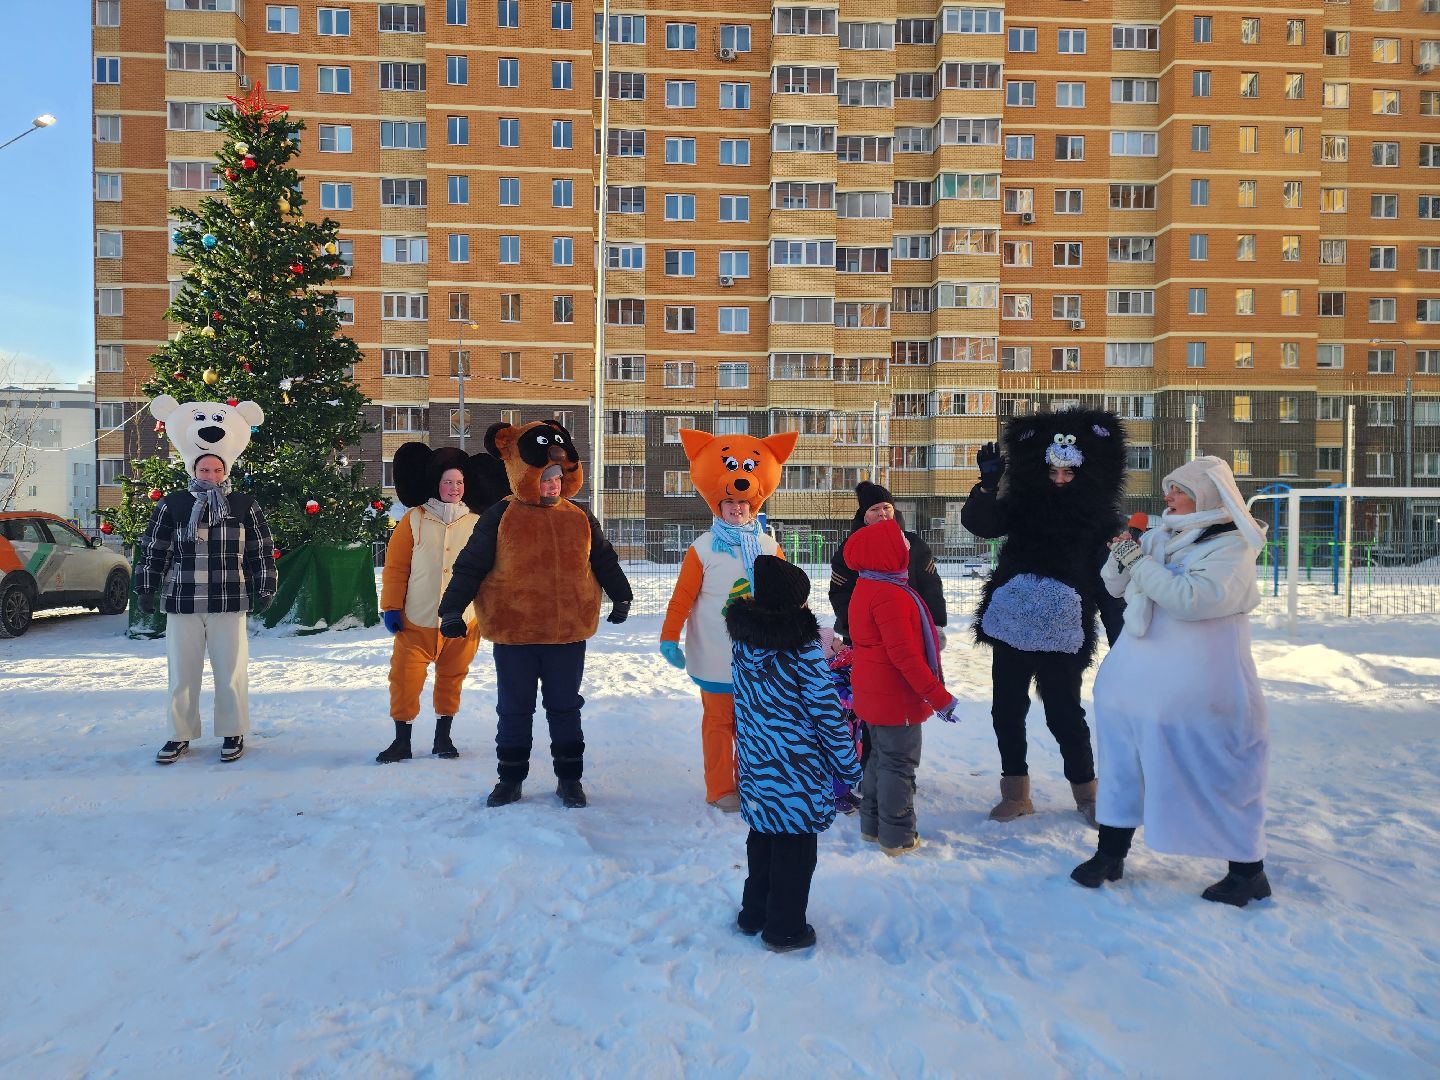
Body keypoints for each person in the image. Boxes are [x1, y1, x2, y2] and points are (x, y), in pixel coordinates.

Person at [1072, 456, 1272, 907]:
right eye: (1168, 489)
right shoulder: (1163, 533)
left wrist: (1139, 562)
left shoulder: (1233, 544)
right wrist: (1125, 554)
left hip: (1199, 685)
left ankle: (1247, 871)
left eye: (1178, 489)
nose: (1168, 497)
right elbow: (1116, 586)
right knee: (1123, 765)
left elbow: (1191, 599)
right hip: (1136, 681)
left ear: (1206, 495)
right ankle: (1112, 852)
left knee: (1217, 768)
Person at [439, 420, 632, 809]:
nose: (553, 485)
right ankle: (509, 779)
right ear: (525, 475)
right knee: (514, 709)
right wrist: (451, 611)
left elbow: (603, 558)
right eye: (545, 478)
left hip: (566, 634)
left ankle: (569, 779)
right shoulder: (501, 515)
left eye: (558, 478)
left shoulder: (579, 517)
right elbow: (470, 565)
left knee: (564, 708)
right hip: (515, 634)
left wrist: (621, 595)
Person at [962, 408, 1126, 824]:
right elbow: (981, 524)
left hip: (1064, 632)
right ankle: (1015, 793)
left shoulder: (1101, 522)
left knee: (1064, 713)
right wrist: (987, 485)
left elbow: (1109, 585)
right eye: (1052, 471)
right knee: (1006, 712)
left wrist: (1122, 641)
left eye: (1068, 474)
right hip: (1013, 624)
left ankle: (1087, 794)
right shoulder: (1021, 506)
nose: (1059, 480)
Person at [726, 555, 861, 951]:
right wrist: (848, 766)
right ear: (794, 604)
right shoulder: (802, 650)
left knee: (763, 839)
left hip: (758, 763)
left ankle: (754, 914)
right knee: (795, 850)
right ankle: (785, 928)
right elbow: (827, 715)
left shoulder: (744, 641)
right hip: (798, 771)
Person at [659, 427, 799, 812]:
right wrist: (669, 637)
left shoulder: (770, 546)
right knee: (719, 724)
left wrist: (800, 634)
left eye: (743, 505)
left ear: (754, 505)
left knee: (755, 724)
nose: (737, 510)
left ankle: (753, 782)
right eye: (730, 505)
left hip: (759, 654)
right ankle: (721, 787)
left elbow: (789, 596)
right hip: (716, 652)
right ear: (718, 506)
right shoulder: (702, 549)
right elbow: (682, 598)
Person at [136, 394, 275, 765]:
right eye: (204, 471)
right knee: (182, 673)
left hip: (230, 601)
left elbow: (260, 551)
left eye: (216, 471)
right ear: (192, 470)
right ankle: (178, 734)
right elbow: (154, 548)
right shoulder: (173, 504)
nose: (210, 476)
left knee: (231, 672)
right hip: (184, 600)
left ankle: (233, 731)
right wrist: (146, 587)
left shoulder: (244, 505)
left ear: (226, 471)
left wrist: (265, 586)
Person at [375, 443, 503, 764]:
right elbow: (396, 567)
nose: (453, 488)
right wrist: (391, 606)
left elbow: (489, 571)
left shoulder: (477, 523)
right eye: (448, 482)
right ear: (437, 484)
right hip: (415, 618)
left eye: (459, 483)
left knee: (452, 679)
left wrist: (489, 611)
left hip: (461, 621)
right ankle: (401, 741)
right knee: (404, 680)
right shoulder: (414, 520)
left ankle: (443, 737)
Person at [843, 518, 957, 857]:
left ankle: (872, 826)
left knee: (880, 760)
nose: (907, 547)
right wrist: (939, 697)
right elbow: (904, 657)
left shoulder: (868, 586)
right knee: (899, 766)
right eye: (901, 543)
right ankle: (898, 835)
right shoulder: (890, 594)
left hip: (875, 695)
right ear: (884, 552)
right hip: (896, 699)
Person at [828, 481, 946, 645]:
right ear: (865, 516)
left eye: (886, 507)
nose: (882, 513)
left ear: (894, 510)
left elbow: (930, 585)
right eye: (874, 509)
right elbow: (840, 593)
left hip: (909, 630)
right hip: (863, 635)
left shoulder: (915, 544)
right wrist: (857, 625)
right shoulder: (850, 549)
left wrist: (936, 625)